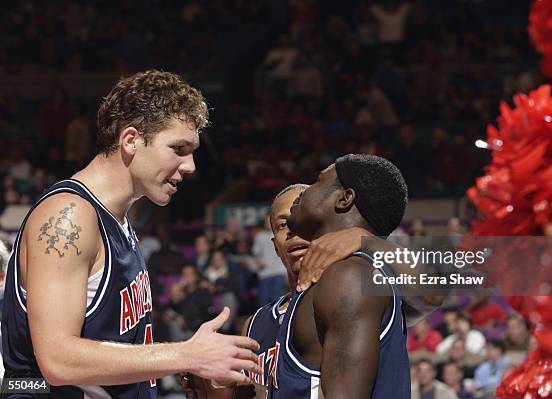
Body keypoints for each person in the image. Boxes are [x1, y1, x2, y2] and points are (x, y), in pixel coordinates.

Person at [1, 70, 259, 398]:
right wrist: (187, 355)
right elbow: (57, 360)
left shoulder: (118, 221)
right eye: (178, 148)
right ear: (131, 140)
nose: (191, 165)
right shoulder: (68, 218)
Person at [183, 183, 365, 399]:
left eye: (304, 219)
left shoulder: (358, 293)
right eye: (282, 225)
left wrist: (367, 239)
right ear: (275, 248)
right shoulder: (255, 322)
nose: (293, 230)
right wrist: (222, 392)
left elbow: (415, 288)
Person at [271, 154, 411, 398]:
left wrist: (366, 240)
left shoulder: (349, 275)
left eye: (317, 181)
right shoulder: (339, 276)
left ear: (344, 198)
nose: (303, 192)